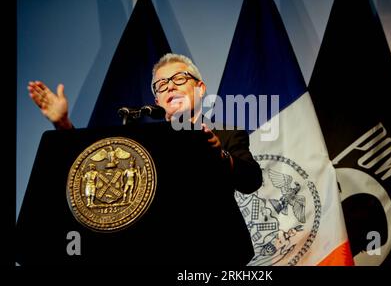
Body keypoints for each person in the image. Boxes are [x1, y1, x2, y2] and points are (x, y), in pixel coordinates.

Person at [28, 53, 263, 265]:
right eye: (161, 85)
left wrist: (220, 155)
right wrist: (63, 125)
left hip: (215, 253)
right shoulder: (144, 144)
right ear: (157, 101)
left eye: (179, 78)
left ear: (200, 88)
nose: (170, 86)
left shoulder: (226, 133)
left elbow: (251, 179)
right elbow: (90, 166)